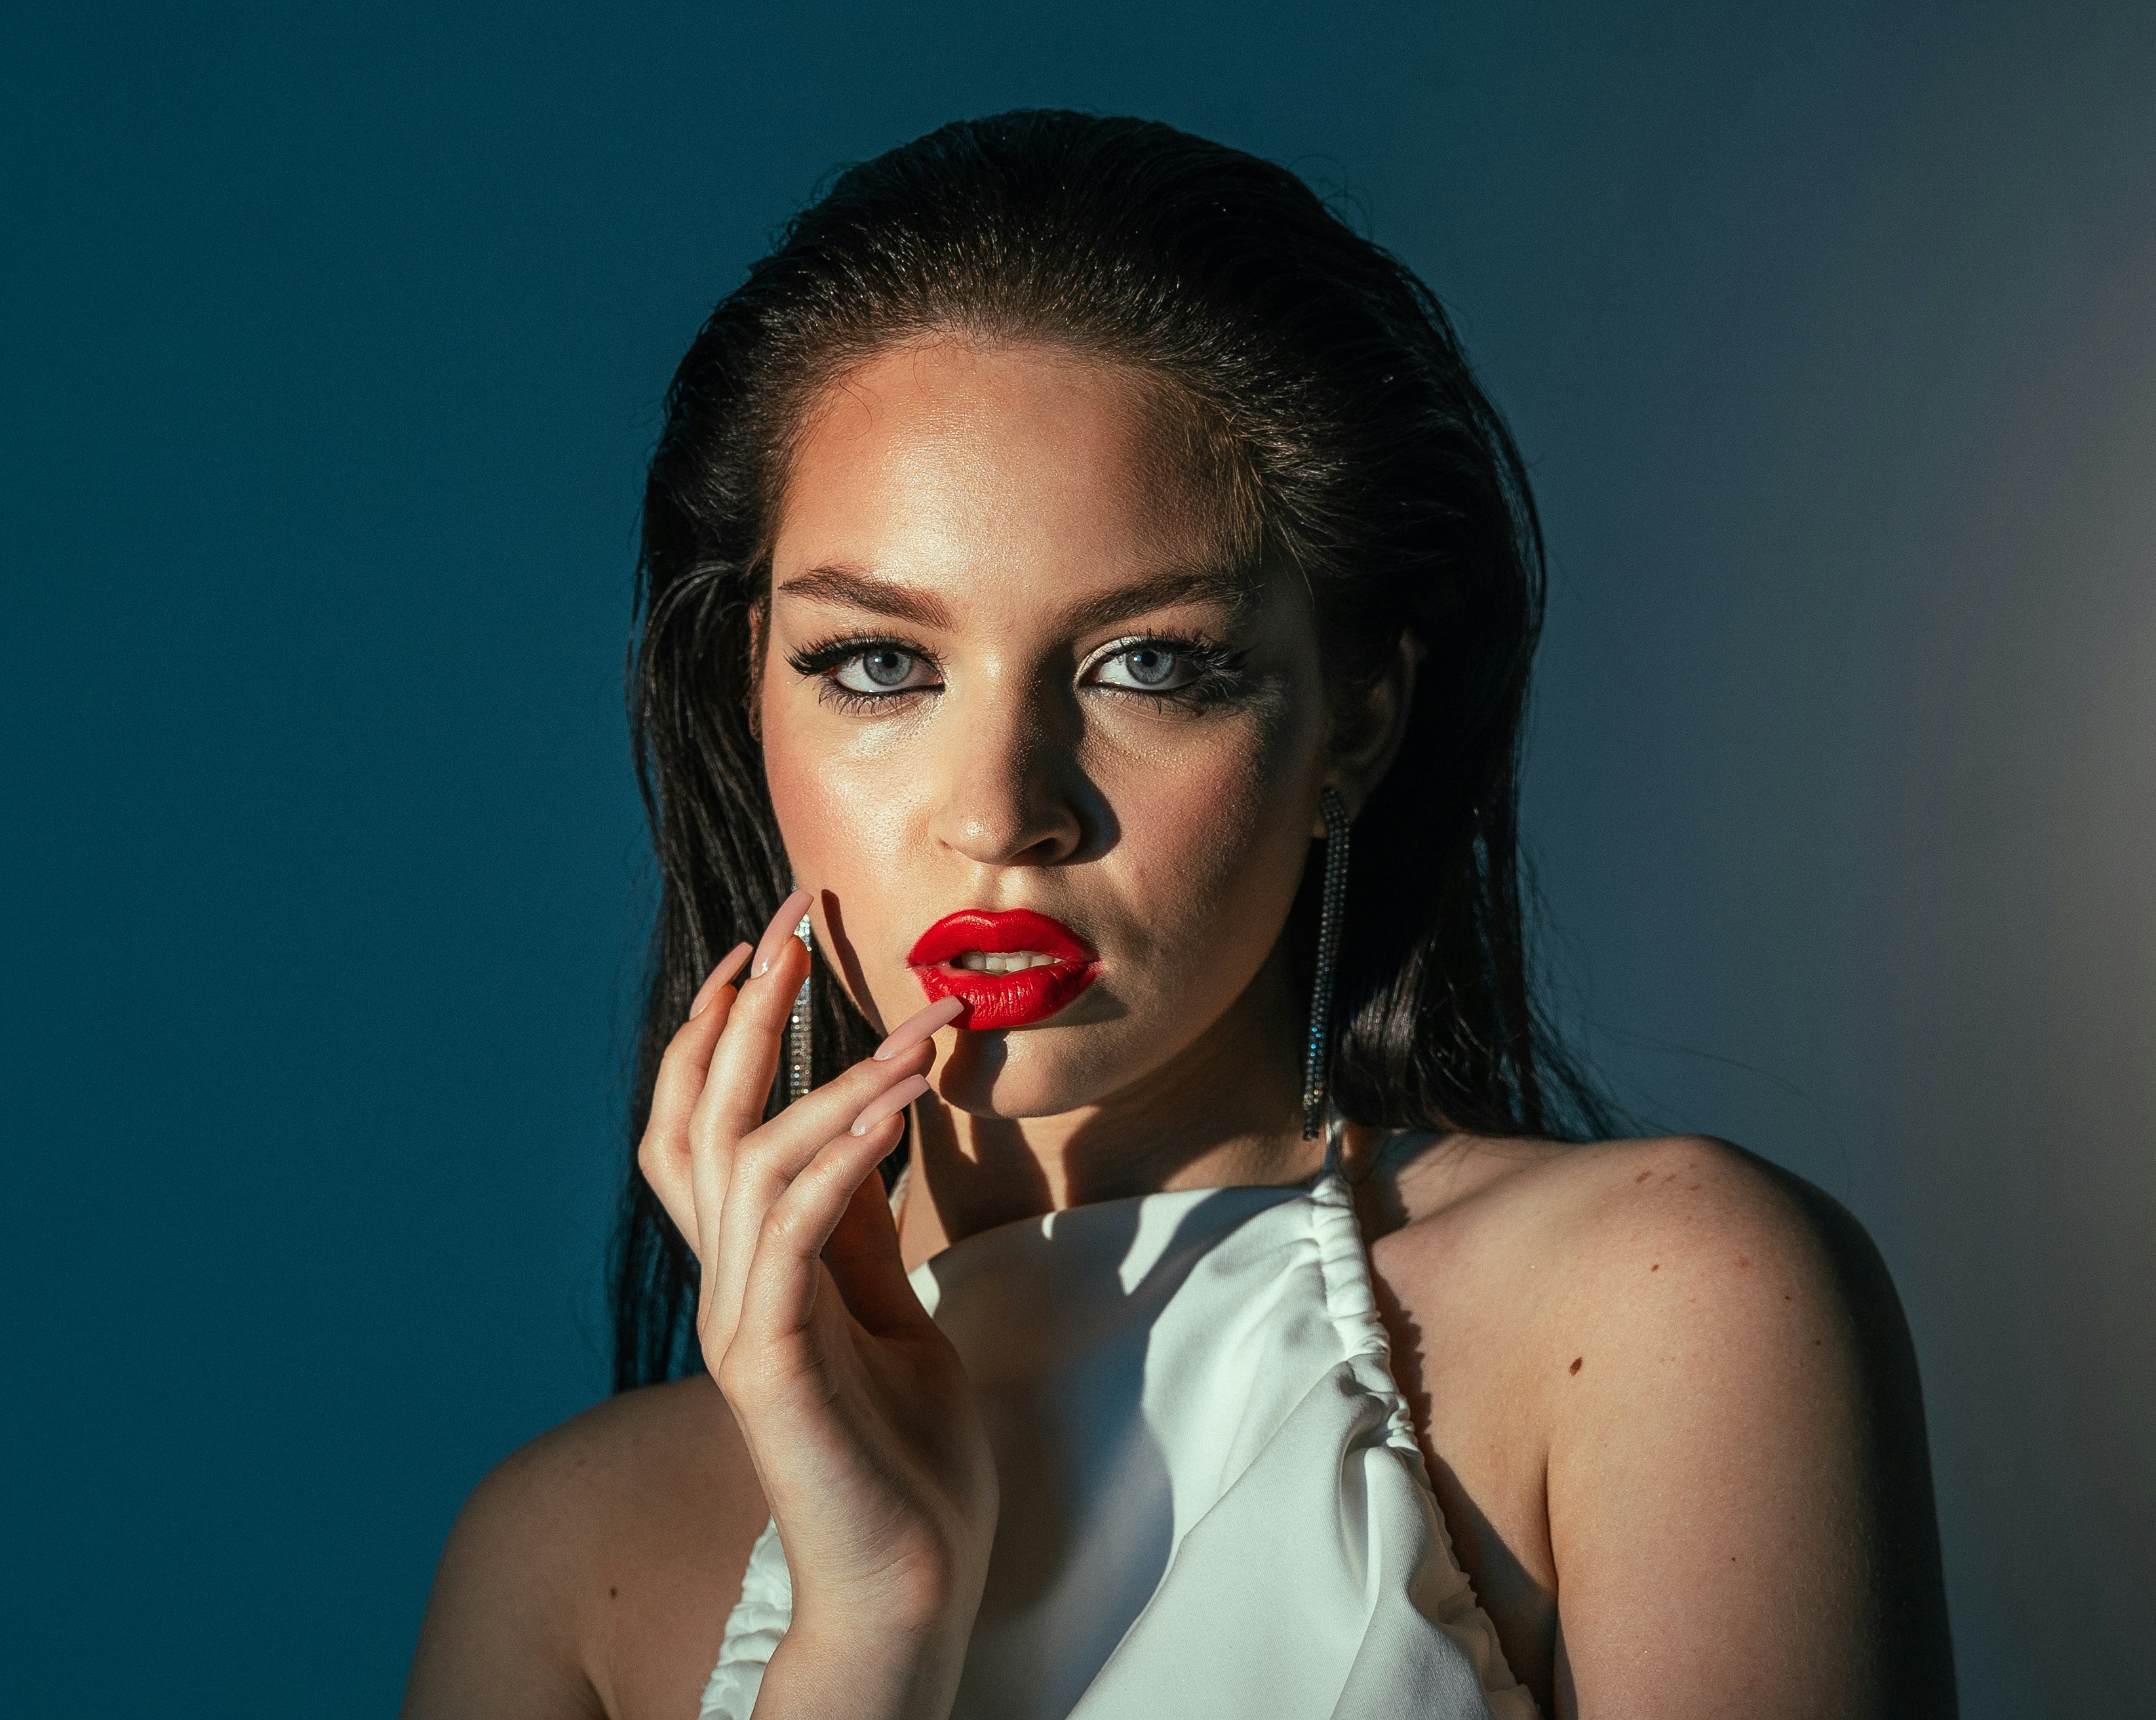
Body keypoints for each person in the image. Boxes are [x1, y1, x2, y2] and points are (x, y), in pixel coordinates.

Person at [401, 111, 1955, 1719]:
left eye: (1145, 664)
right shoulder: (560, 1561)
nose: (1001, 810)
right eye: (879, 663)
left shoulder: (1660, 1307)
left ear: (1355, 716)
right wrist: (868, 1623)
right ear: (749, 694)